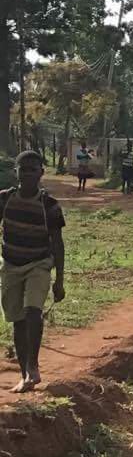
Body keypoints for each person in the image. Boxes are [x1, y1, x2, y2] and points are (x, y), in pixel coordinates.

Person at [1, 150, 65, 392]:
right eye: (23, 169)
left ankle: (33, 365)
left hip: (39, 264)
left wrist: (59, 280)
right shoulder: (5, 199)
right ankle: (24, 375)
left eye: (33, 169)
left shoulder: (49, 205)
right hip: (10, 265)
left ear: (41, 173)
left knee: (33, 311)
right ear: (16, 172)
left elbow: (57, 243)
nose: (27, 174)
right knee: (17, 320)